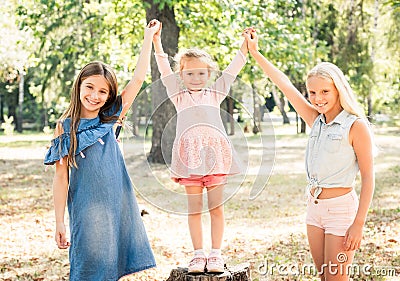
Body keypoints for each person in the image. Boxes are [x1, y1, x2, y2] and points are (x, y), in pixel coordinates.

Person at [243, 28, 374, 281]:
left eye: (325, 91)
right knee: (324, 278)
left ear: (338, 90)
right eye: (312, 92)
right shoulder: (316, 121)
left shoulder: (355, 126)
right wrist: (256, 53)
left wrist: (358, 223)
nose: (317, 98)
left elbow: (369, 177)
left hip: (341, 211)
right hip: (314, 209)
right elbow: (284, 85)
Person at [44, 19, 161, 281]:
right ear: (79, 86)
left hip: (117, 204)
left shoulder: (111, 118)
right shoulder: (64, 128)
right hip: (85, 208)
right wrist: (59, 221)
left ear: (109, 96)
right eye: (90, 87)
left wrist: (148, 38)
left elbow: (139, 78)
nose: (95, 95)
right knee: (88, 267)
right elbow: (61, 178)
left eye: (103, 91)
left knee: (113, 266)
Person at [151, 23, 248, 273]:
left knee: (216, 209)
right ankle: (197, 254)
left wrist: (246, 44)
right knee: (194, 210)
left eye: (201, 74)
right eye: (190, 74)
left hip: (215, 158)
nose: (196, 78)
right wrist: (157, 42)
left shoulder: (215, 93)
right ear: (181, 76)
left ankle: (215, 254)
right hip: (190, 159)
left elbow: (234, 69)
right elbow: (163, 70)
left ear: (209, 74)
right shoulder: (179, 96)